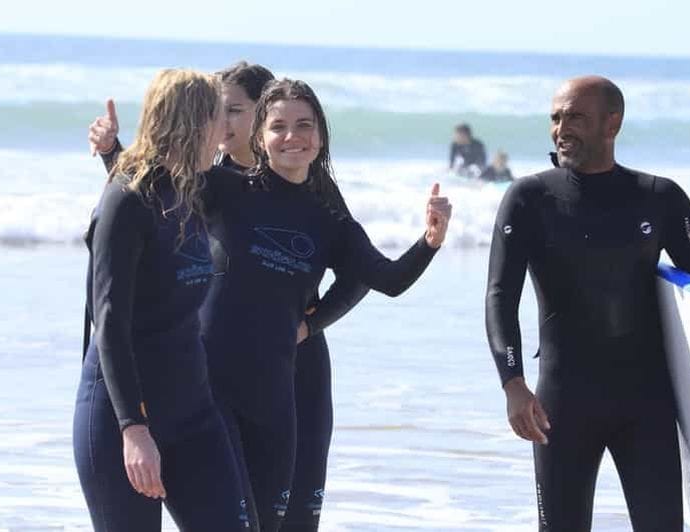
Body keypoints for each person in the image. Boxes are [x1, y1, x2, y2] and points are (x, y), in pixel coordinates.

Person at [89, 61, 369, 531]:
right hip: (210, 377)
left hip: (293, 369)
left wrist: (308, 324)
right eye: (219, 112)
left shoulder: (310, 183)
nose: (225, 125)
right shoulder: (210, 184)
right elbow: (145, 195)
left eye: (235, 111)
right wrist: (114, 153)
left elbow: (363, 270)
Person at [201, 78, 451, 532]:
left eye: (304, 125)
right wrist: (111, 151)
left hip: (276, 399)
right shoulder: (222, 189)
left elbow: (388, 280)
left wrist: (429, 242)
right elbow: (150, 189)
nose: (292, 137)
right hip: (212, 387)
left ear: (320, 137)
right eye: (278, 126)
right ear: (260, 136)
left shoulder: (328, 220)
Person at [485, 76, 690, 532]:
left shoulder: (660, 198)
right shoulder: (529, 199)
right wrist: (512, 382)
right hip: (561, 404)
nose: (561, 128)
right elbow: (499, 295)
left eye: (575, 117)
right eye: (555, 118)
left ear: (613, 123)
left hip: (647, 404)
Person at [73, 69, 249, 531]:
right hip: (121, 420)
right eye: (218, 118)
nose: (225, 132)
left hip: (193, 412)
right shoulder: (125, 201)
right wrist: (133, 428)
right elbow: (109, 323)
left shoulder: (188, 189)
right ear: (192, 123)